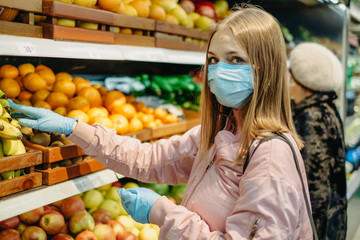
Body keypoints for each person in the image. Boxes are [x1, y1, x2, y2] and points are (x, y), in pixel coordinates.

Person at [10, 5, 314, 239]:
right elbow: (149, 159)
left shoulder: (270, 157)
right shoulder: (221, 132)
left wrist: (164, 212)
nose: (219, 71)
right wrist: (73, 127)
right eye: (213, 60)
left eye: (235, 60)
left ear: (266, 69)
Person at [288, 42, 347, 240]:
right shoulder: (324, 107)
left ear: (297, 80)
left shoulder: (313, 117)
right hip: (329, 220)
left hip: (318, 228)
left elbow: (315, 190)